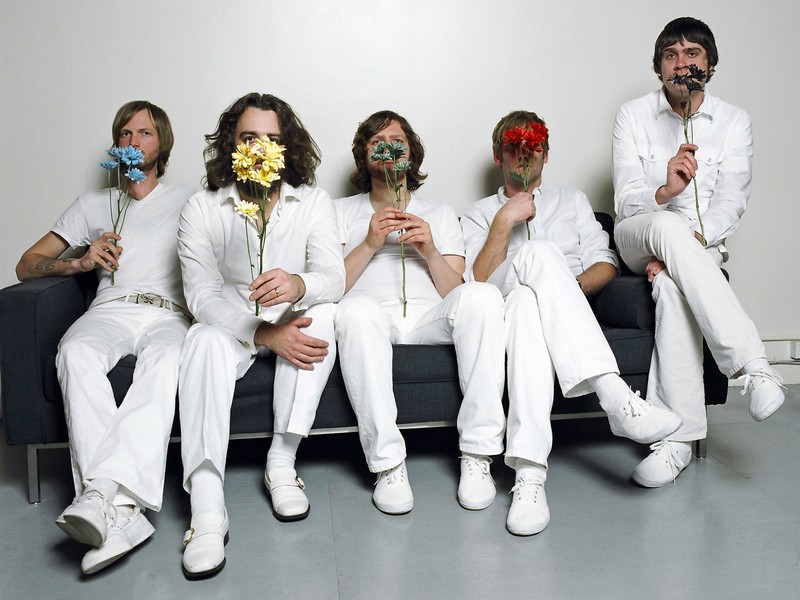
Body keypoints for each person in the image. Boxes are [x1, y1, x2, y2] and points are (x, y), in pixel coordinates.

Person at [461, 110, 683, 535]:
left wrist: (560, 289)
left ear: (546, 154)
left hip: (544, 309)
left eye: (533, 148)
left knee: (530, 301)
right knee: (538, 255)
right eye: (513, 148)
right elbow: (477, 282)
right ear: (497, 155)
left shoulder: (573, 201)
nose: (524, 156)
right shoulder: (478, 213)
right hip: (497, 305)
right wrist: (505, 221)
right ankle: (615, 396)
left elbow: (606, 262)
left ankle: (529, 475)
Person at [15, 101, 194, 574]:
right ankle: (121, 512)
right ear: (116, 144)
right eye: (125, 134)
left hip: (169, 315)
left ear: (163, 143)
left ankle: (101, 497)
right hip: (110, 309)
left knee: (167, 361)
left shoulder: (189, 199)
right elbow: (26, 263)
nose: (133, 141)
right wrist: (79, 261)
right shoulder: (93, 205)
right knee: (74, 351)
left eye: (145, 133)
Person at [611, 16, 785, 488]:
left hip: (697, 247)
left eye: (692, 54)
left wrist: (688, 244)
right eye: (671, 55)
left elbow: (731, 202)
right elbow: (624, 201)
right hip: (638, 234)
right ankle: (753, 365)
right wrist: (666, 191)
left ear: (709, 64)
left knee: (672, 287)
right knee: (666, 224)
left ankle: (678, 441)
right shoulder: (632, 114)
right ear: (659, 66)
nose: (681, 64)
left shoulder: (734, 121)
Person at [176, 93, 345, 579]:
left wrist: (299, 284)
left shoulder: (312, 201)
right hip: (231, 326)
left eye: (271, 138)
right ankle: (207, 507)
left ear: (287, 146)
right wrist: (262, 332)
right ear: (231, 143)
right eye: (249, 137)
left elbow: (332, 277)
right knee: (201, 338)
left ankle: (282, 461)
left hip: (292, 314)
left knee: (326, 312)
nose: (260, 147)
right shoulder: (202, 206)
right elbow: (201, 295)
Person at [334, 111, 507, 516]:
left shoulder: (441, 213)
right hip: (373, 318)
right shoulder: (338, 212)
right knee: (354, 310)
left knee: (482, 295)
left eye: (397, 141)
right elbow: (332, 288)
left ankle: (478, 454)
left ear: (411, 153)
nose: (388, 148)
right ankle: (388, 464)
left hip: (429, 318)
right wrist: (370, 242)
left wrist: (429, 248)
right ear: (363, 155)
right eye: (377, 142)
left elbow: (456, 291)